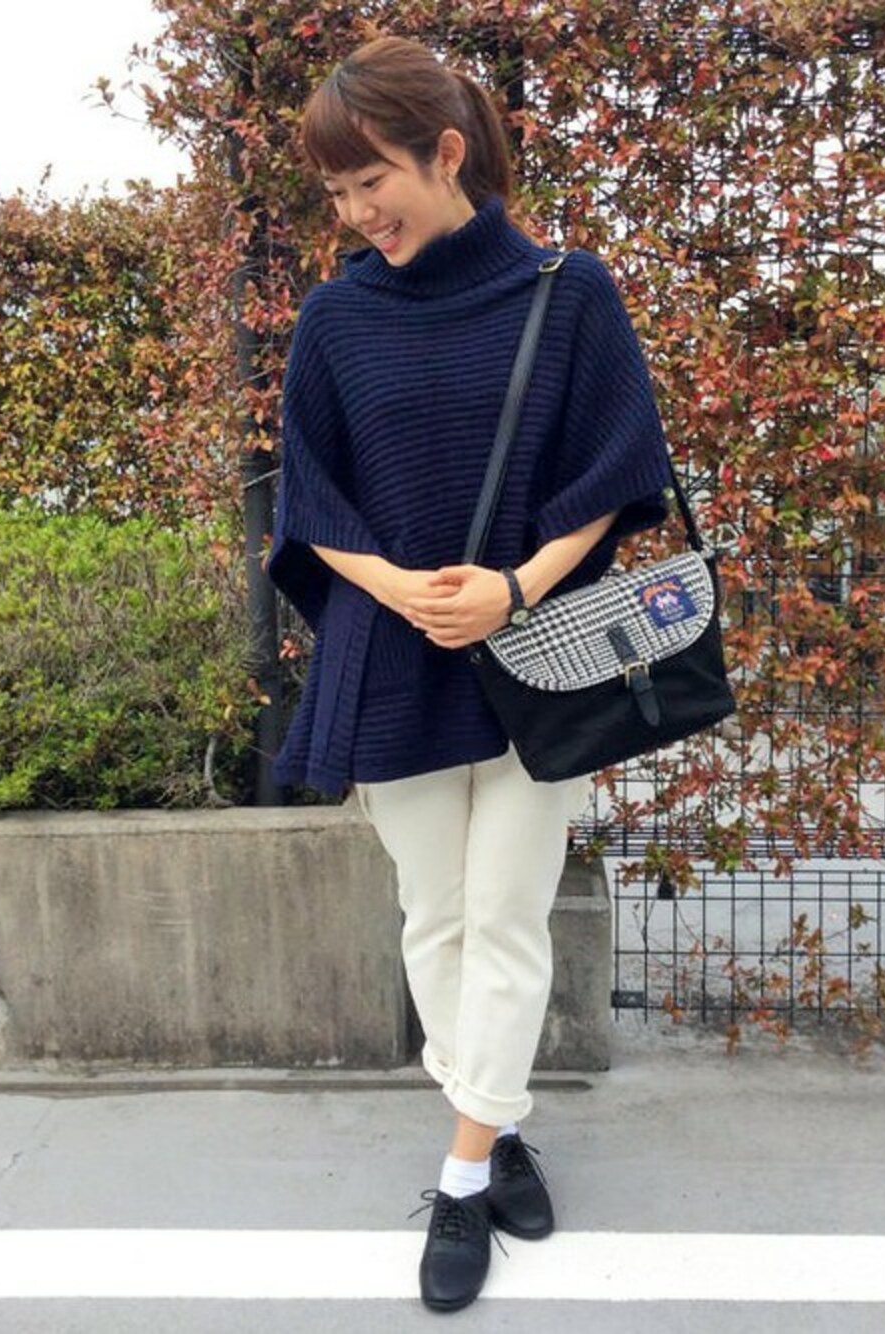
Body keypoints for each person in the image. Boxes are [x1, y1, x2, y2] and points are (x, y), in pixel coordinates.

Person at [264, 35, 673, 1314]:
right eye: (336, 192)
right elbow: (310, 497)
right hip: (392, 654)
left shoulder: (569, 292)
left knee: (503, 914)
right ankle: (497, 1128)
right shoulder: (335, 318)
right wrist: (398, 589)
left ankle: (457, 1175)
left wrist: (514, 587)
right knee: (434, 919)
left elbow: (617, 473)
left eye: (370, 179)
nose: (355, 212)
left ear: (446, 152)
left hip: (535, 657)